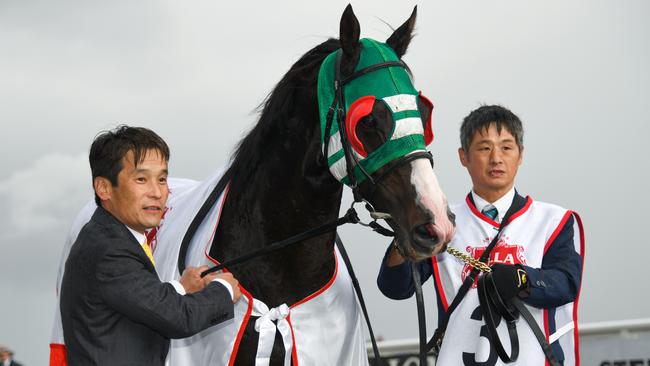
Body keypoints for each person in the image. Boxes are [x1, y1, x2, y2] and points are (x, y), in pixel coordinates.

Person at [377, 105, 584, 365]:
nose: (496, 158)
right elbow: (395, 287)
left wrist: (523, 278)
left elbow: (566, 284)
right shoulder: (440, 220)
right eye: (484, 148)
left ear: (520, 155)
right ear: (464, 156)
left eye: (507, 148)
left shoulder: (553, 220)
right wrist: (405, 231)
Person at [60, 126, 241, 365]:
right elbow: (178, 318)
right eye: (141, 179)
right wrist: (223, 290)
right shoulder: (109, 250)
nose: (157, 192)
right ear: (103, 188)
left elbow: (140, 301)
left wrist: (180, 287)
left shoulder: (108, 236)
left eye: (162, 179)